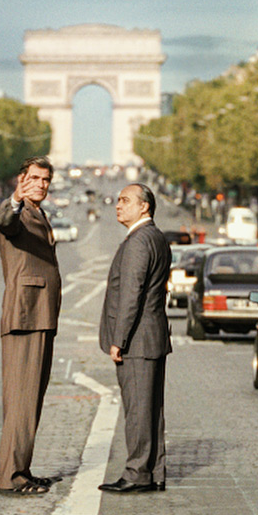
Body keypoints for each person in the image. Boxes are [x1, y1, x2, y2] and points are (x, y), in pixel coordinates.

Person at [0, 155, 62, 496]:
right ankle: (11, 477)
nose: (41, 184)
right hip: (25, 315)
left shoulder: (39, 212)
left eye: (46, 179)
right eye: (35, 178)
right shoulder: (17, 211)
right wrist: (16, 200)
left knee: (30, 399)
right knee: (21, 400)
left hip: (39, 315)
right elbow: (5, 221)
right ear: (21, 180)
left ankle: (22, 468)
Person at [98, 182, 172, 494]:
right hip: (151, 336)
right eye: (118, 200)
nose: (118, 205)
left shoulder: (139, 241)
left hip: (137, 340)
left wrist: (119, 339)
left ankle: (137, 473)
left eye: (125, 200)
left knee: (138, 411)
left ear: (144, 206)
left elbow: (131, 294)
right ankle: (153, 471)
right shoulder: (156, 236)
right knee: (151, 410)